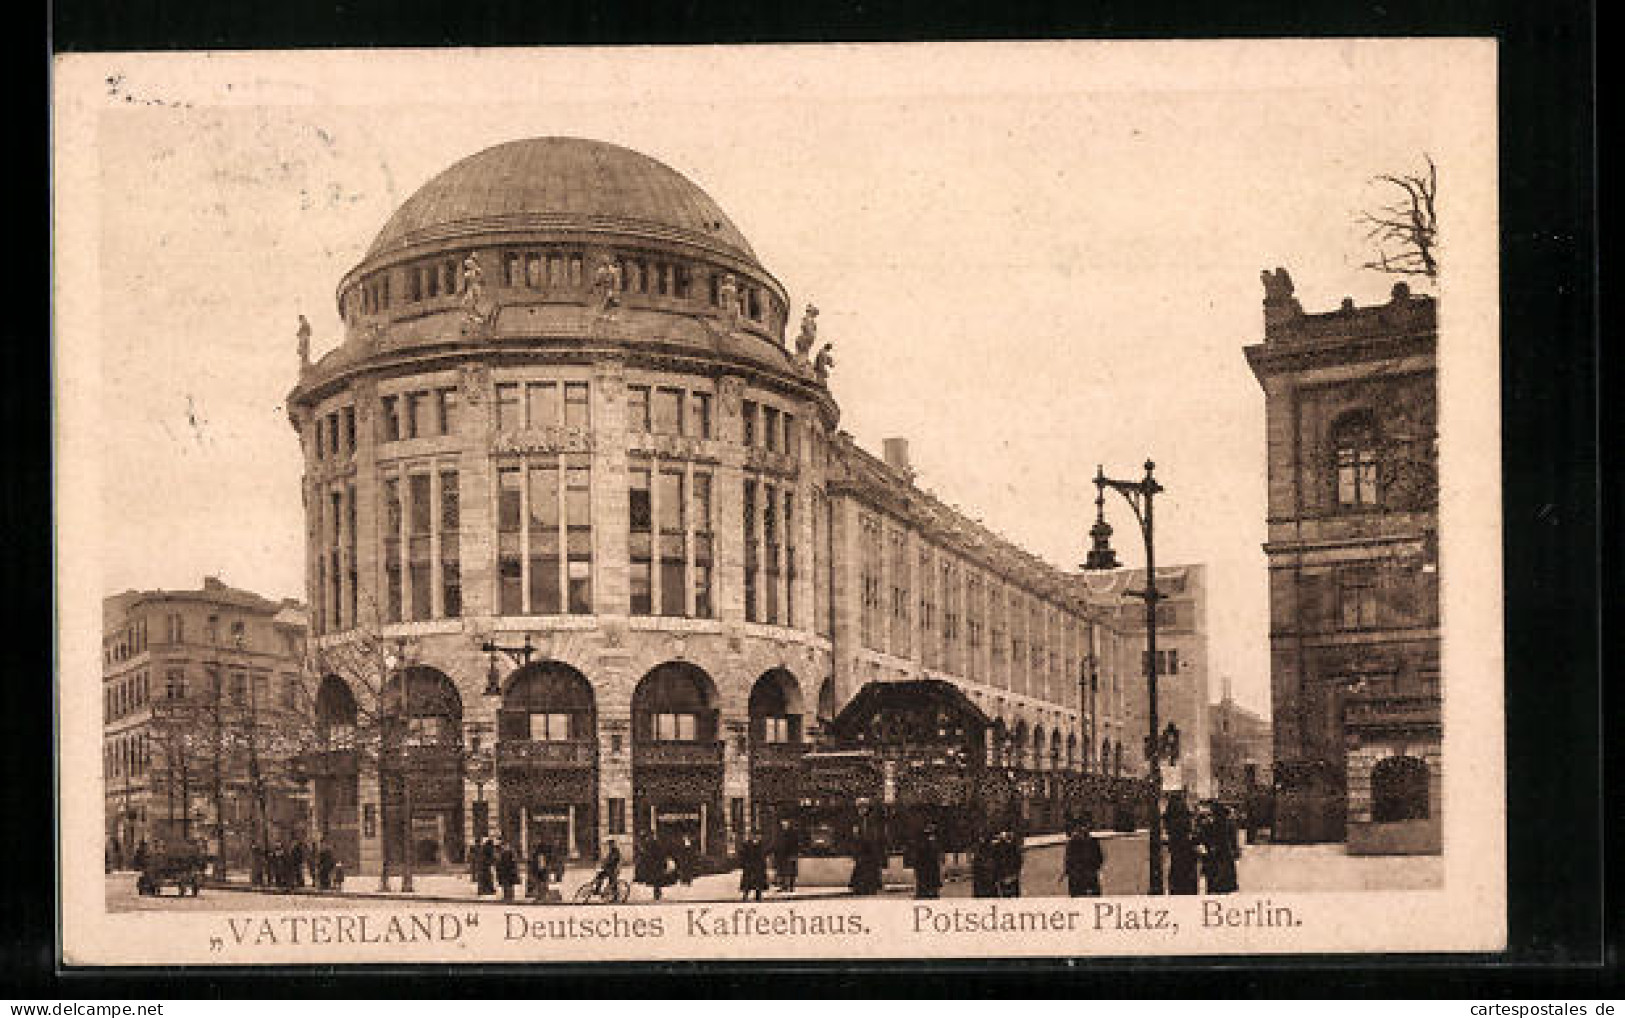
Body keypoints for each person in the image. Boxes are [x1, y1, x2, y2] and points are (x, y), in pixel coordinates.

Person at [1164, 795, 1200, 895]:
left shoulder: (1171, 820)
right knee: (1187, 878)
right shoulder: (1184, 819)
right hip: (1186, 854)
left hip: (1177, 853)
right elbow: (1191, 835)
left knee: (1176, 875)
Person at [1200, 805, 1239, 894]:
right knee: (1224, 877)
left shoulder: (1211, 825)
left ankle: (1215, 890)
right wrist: (1235, 850)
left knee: (1215, 877)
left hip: (1215, 854)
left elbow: (1205, 838)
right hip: (1224, 854)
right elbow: (1233, 840)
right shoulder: (1229, 824)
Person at [1064, 815, 1105, 897]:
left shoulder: (1093, 841)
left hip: (1089, 876)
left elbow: (1099, 858)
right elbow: (1068, 860)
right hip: (1077, 878)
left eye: (1085, 826)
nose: (1083, 829)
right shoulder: (1072, 842)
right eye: (1081, 826)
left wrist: (1094, 868)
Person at [635, 833, 674, 901]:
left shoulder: (654, 844)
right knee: (656, 881)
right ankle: (657, 894)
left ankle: (657, 894)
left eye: (651, 836)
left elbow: (656, 854)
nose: (650, 837)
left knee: (656, 880)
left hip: (656, 865)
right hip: (655, 865)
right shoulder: (652, 843)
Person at [909, 823, 943, 900]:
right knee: (925, 877)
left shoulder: (930, 840)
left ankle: (928, 892)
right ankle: (926, 892)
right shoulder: (926, 840)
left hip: (928, 862)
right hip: (925, 862)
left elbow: (934, 852)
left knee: (928, 877)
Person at [848, 829, 884, 896]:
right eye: (854, 832)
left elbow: (869, 851)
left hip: (868, 861)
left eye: (856, 832)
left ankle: (868, 889)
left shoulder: (864, 840)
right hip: (863, 861)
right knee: (860, 875)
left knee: (867, 875)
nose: (855, 834)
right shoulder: (857, 841)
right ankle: (861, 889)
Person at [772, 819, 801, 893]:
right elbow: (778, 843)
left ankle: (791, 886)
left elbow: (795, 844)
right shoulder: (780, 833)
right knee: (783, 871)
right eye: (783, 823)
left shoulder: (793, 832)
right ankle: (783, 886)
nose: (784, 824)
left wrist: (794, 854)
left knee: (791, 871)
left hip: (791, 854)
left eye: (785, 823)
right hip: (782, 855)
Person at [738, 832, 769, 902]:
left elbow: (764, 854)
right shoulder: (747, 845)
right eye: (754, 836)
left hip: (759, 866)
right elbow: (742, 855)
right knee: (748, 882)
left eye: (758, 836)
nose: (756, 838)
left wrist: (764, 864)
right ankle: (745, 895)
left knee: (759, 881)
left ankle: (758, 895)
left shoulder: (762, 845)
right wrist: (744, 864)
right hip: (749, 866)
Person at [993, 830, 1023, 897]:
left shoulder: (1013, 846)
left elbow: (1018, 859)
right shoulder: (998, 847)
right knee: (1007, 893)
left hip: (1011, 874)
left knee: (1013, 892)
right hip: (1005, 875)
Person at [970, 831, 1000, 898]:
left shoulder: (988, 848)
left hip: (987, 878)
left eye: (982, 837)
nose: (981, 839)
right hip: (982, 879)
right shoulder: (979, 848)